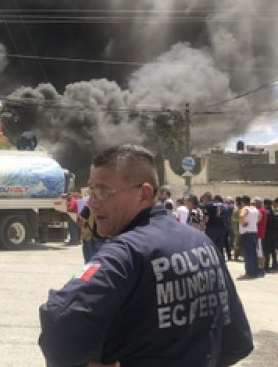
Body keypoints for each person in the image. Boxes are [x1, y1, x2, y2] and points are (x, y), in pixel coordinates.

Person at [38, 144, 253, 366]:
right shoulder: (203, 243)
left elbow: (59, 320)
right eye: (91, 191)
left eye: (103, 191)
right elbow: (237, 342)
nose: (92, 202)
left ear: (144, 194)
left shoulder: (123, 254)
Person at [238, 195, 261, 279]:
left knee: (248, 254)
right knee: (254, 253)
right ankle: (255, 272)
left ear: (242, 202)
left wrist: (243, 223)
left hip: (247, 233)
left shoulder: (245, 209)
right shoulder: (254, 209)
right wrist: (254, 223)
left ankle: (249, 273)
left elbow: (241, 216)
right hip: (254, 233)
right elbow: (260, 216)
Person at [263, 198, 278, 273]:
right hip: (273, 232)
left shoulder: (266, 211)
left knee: (266, 250)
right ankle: (275, 265)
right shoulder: (274, 211)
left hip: (267, 232)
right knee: (273, 250)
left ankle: (266, 266)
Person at [221, 196, 235, 260]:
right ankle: (229, 255)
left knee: (225, 240)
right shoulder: (232, 207)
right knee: (230, 240)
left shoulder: (224, 207)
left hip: (225, 225)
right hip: (230, 225)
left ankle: (226, 255)